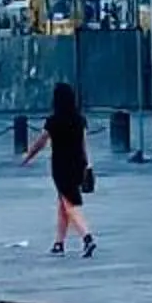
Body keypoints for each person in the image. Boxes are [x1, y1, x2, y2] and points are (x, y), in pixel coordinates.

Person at [23, 79, 98, 253]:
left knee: (70, 204)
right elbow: (83, 144)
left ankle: (87, 237)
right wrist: (88, 165)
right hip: (78, 164)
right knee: (63, 203)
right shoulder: (80, 120)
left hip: (61, 166)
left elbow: (40, 143)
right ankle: (59, 243)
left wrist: (28, 157)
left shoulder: (53, 121)